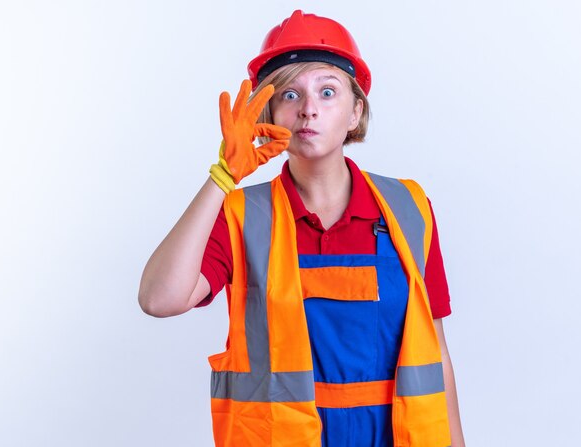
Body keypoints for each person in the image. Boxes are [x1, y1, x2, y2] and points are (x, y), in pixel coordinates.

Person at [139, 9, 465, 447]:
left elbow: (436, 356)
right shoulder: (243, 215)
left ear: (355, 112)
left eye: (327, 92)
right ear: (269, 113)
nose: (309, 109)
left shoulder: (409, 208)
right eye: (290, 95)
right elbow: (159, 299)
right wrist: (222, 177)